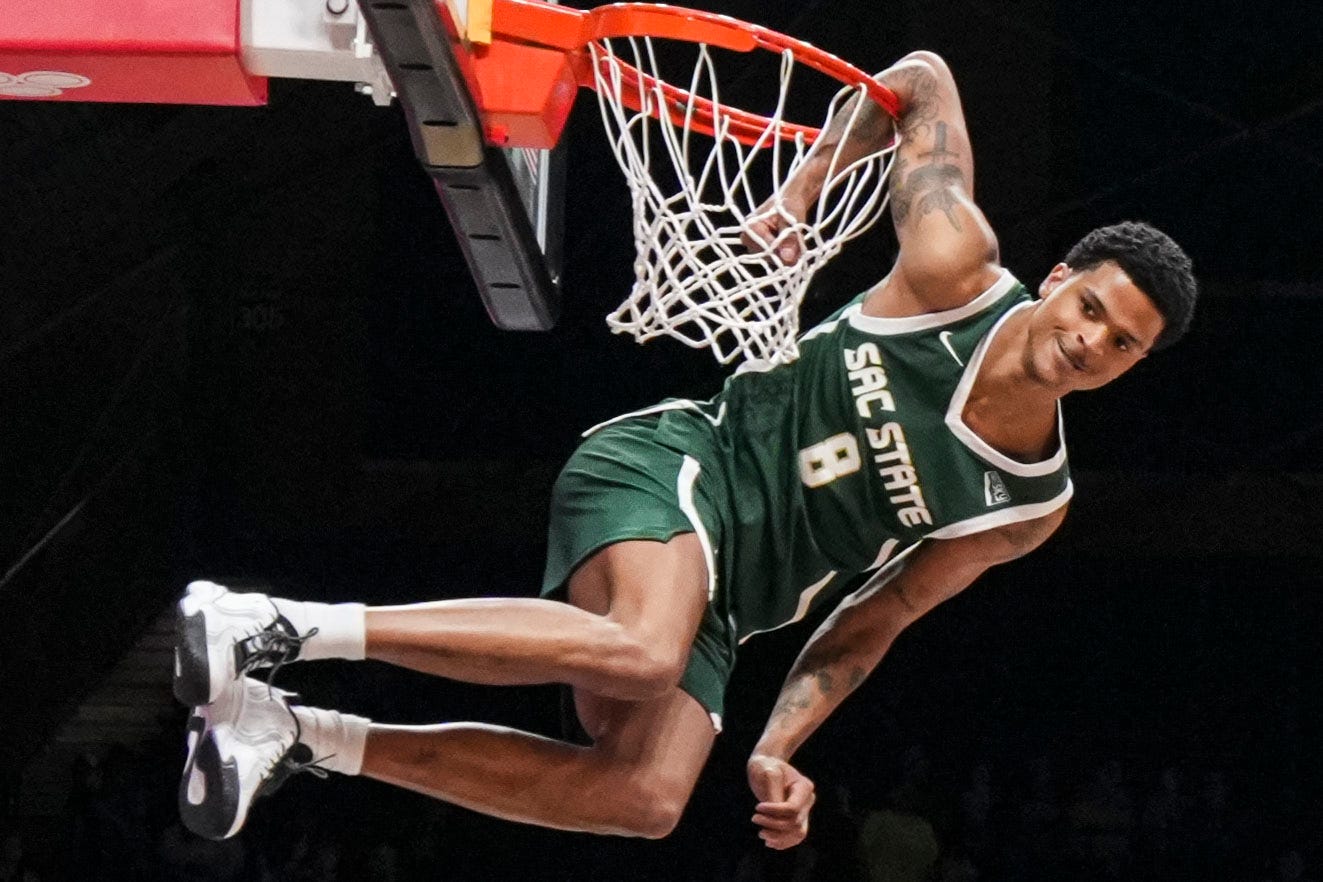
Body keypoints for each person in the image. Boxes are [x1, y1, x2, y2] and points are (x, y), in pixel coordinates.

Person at [174, 50, 1196, 849]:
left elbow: (877, 616)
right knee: (641, 650)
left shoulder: (1030, 501)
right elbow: (922, 79)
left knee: (647, 798)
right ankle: (273, 622)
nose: (1092, 341)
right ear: (1061, 276)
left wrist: (776, 748)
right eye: (1095, 308)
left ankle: (300, 734)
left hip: (729, 604)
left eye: (1123, 345)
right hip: (677, 466)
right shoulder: (955, 268)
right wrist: (800, 196)